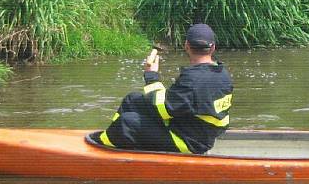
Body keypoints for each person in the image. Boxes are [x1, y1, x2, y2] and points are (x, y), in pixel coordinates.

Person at [97, 24, 233, 154]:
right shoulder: (223, 73)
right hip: (198, 131)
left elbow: (162, 109)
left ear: (187, 46)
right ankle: (111, 136)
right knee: (132, 100)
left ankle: (100, 148)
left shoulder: (192, 79)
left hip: (190, 141)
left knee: (127, 122)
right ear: (213, 48)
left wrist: (151, 76)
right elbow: (178, 104)